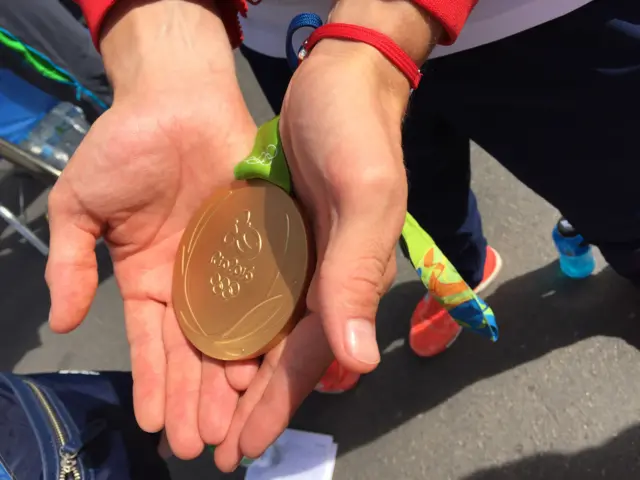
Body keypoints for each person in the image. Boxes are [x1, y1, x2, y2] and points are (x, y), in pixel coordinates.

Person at [45, 0, 640, 473]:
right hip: (292, 42)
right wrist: (161, 39)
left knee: (626, 203)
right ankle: (462, 268)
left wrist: (381, 31)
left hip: (549, 21)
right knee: (390, 208)